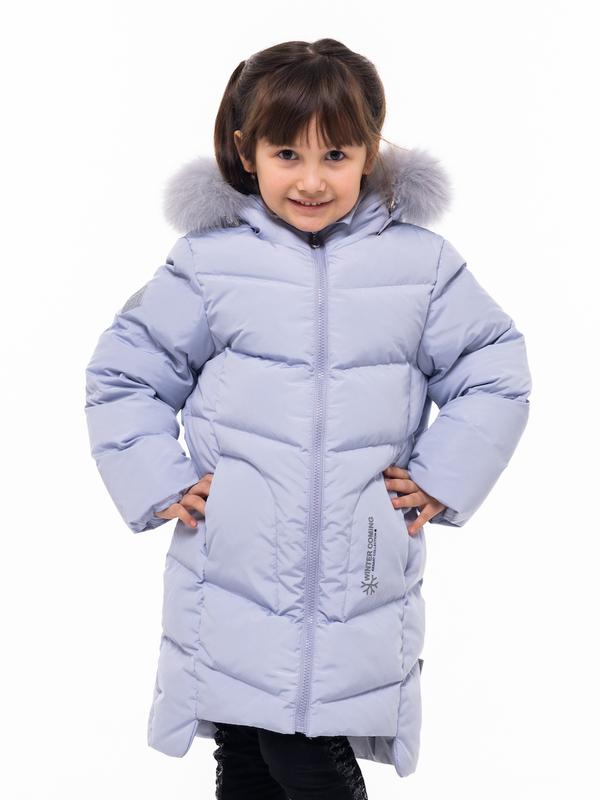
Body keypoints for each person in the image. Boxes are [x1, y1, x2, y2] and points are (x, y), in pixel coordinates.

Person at [84, 38, 532, 799]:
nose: (313, 180)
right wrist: (160, 480)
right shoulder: (209, 264)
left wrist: (441, 476)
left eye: (336, 155)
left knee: (307, 750)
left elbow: (494, 369)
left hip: (359, 561)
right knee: (247, 753)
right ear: (246, 152)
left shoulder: (420, 267)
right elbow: (125, 374)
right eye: (287, 153)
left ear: (370, 152)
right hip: (231, 561)